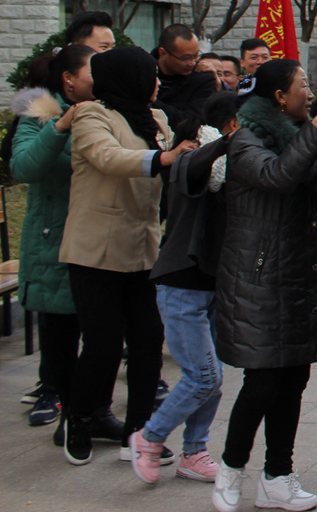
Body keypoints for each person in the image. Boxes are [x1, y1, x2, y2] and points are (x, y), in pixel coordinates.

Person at [209, 59, 317, 512]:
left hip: (297, 272)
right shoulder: (246, 139)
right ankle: (230, 469)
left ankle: (278, 476)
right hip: (257, 277)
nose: (310, 93)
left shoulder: (300, 134)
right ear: (279, 96)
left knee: (294, 378)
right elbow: (278, 176)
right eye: (302, 85)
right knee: (262, 381)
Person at [59, 46, 196, 465]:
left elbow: (175, 165)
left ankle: (138, 432)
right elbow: (109, 158)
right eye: (149, 74)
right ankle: (79, 420)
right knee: (102, 345)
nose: (156, 82)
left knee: (147, 341)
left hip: (142, 247)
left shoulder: (155, 119)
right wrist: (164, 157)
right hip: (95, 250)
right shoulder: (91, 115)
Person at [130, 93, 240, 485]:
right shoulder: (192, 158)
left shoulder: (230, 168)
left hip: (213, 284)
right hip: (182, 284)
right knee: (203, 376)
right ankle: (149, 437)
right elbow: (193, 170)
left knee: (213, 377)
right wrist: (225, 143)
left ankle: (194, 452)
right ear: (231, 125)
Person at [10, 46, 95, 427]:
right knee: (59, 330)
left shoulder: (111, 108)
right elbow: (23, 166)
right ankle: (58, 399)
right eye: (95, 63)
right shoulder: (41, 113)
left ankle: (90, 411)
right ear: (68, 78)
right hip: (54, 237)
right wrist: (60, 127)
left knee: (101, 335)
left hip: (98, 235)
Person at [154, 23, 217, 131]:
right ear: (163, 53)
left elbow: (192, 121)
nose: (192, 63)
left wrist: (152, 104)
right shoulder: (143, 71)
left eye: (196, 56)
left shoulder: (202, 77)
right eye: (186, 58)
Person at [235, 38, 272, 105]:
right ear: (242, 62)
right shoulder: (238, 87)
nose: (260, 62)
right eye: (254, 58)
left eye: (265, 57)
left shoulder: (279, 86)